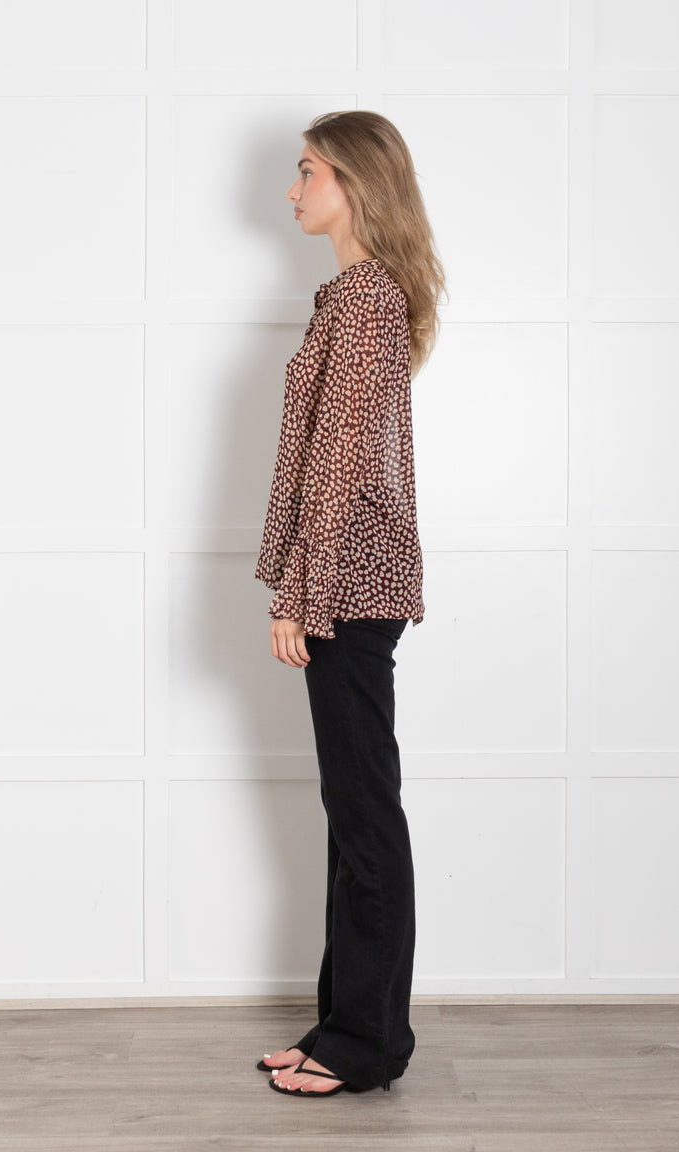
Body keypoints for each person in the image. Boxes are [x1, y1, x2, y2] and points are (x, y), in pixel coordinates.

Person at [253, 110, 445, 1098]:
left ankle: (365, 1045)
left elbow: (341, 465)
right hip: (348, 586)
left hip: (351, 589)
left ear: (355, 183)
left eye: (307, 172)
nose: (293, 190)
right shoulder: (353, 296)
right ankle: (344, 1026)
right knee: (353, 814)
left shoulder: (365, 299)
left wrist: (302, 592)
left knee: (365, 818)